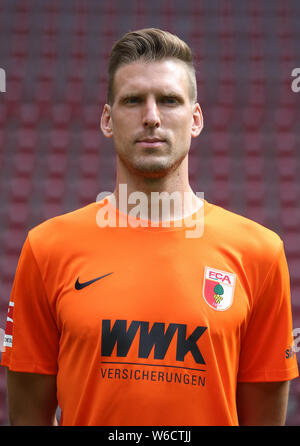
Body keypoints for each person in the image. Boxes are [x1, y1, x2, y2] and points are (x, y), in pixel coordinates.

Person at [1, 28, 298, 426]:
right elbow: (27, 418)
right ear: (108, 120)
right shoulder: (46, 248)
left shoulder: (260, 252)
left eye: (170, 100)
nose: (152, 117)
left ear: (195, 120)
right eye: (133, 100)